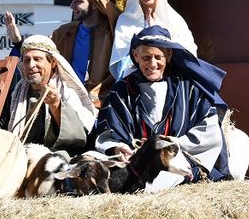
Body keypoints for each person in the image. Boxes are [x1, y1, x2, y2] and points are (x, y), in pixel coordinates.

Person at [95, 25, 231, 182]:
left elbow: (209, 131)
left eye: (158, 57)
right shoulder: (121, 90)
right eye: (146, 57)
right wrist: (117, 147)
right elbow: (107, 132)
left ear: (169, 55)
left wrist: (174, 143)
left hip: (179, 160)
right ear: (135, 55)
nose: (152, 64)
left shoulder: (188, 87)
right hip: (135, 165)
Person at [6, 0, 120, 108]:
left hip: (106, 109)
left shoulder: (116, 34)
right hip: (66, 108)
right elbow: (36, 61)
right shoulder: (62, 34)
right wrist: (17, 42)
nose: (71, 6)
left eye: (78, 1)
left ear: (95, 3)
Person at [0, 35, 96, 156]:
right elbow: (1, 128)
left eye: (37, 59)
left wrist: (55, 104)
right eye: (26, 60)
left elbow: (77, 138)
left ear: (53, 62)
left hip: (56, 158)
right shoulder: (16, 94)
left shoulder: (67, 92)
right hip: (19, 156)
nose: (31, 65)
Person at [109, 0, 198, 79]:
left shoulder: (174, 19)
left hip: (172, 80)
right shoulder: (125, 20)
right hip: (135, 82)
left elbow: (189, 53)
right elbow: (121, 58)